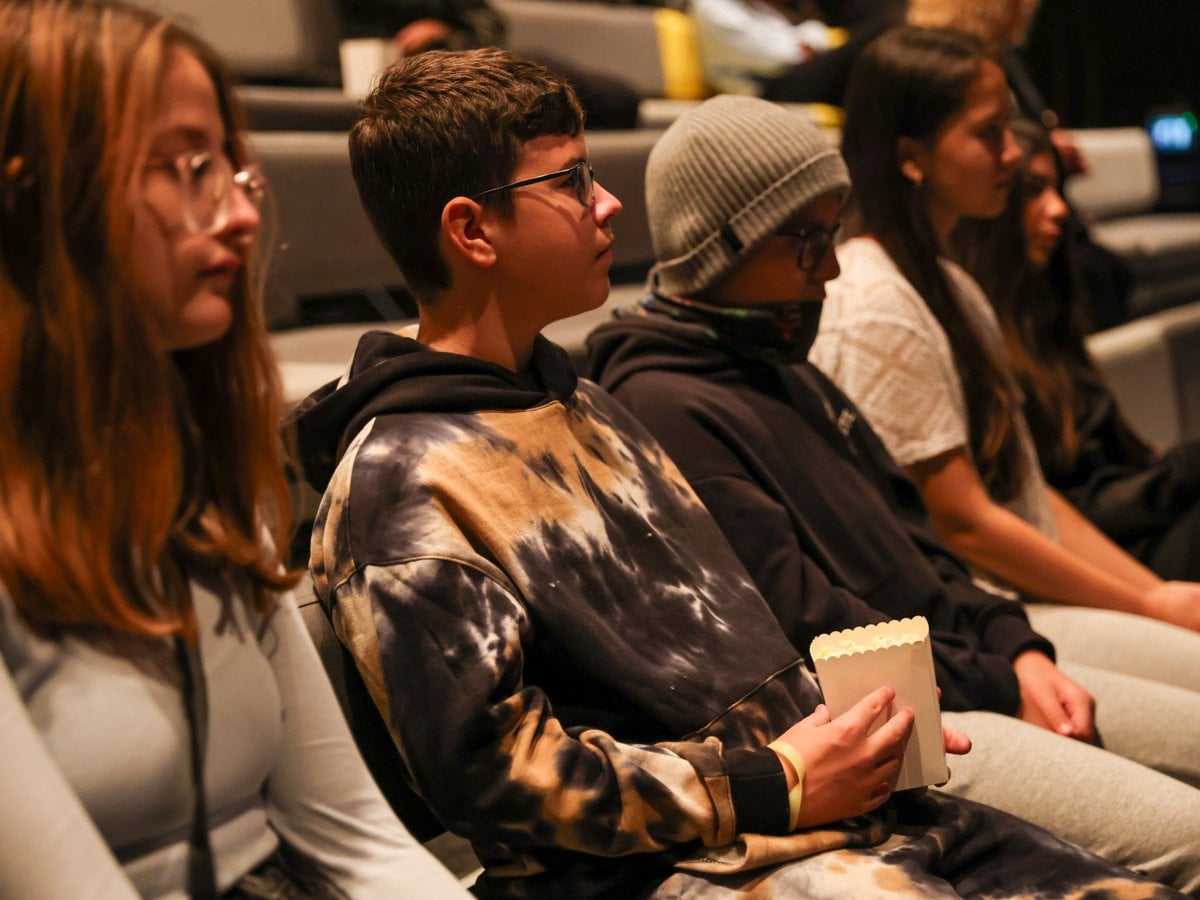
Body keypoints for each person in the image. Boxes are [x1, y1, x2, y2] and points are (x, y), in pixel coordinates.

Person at [294, 45, 1178, 899]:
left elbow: (735, 651)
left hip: (821, 813)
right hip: (668, 865)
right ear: (471, 229)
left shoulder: (582, 403)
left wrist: (859, 730)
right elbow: (494, 778)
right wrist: (776, 781)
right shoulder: (400, 487)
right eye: (568, 183)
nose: (606, 205)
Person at [585, 93, 1200, 893]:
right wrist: (1000, 677)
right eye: (805, 244)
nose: (831, 269)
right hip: (895, 722)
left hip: (965, 662)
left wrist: (1010, 641)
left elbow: (922, 542)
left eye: (830, 235)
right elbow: (812, 624)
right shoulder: (665, 404)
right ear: (716, 249)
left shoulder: (781, 362)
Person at [0, 2, 469, 896]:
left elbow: (351, 831)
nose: (238, 214)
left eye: (231, 168)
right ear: (32, 199)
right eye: (185, 168)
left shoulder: (193, 484)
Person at [809, 24, 1200, 757]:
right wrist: (1147, 602)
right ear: (910, 158)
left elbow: (1024, 491)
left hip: (1015, 607)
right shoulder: (873, 304)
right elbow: (965, 526)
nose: (1016, 153)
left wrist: (1159, 597)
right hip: (975, 627)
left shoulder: (951, 282)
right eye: (990, 134)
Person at [956, 119, 1200, 582]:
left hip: (1138, 528)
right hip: (1096, 556)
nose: (1059, 209)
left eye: (1059, 189)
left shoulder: (1046, 316)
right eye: (1033, 191)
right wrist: (1183, 472)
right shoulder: (975, 341)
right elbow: (1050, 509)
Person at [905, 0, 1137, 329]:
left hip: (1013, 221)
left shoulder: (1006, 60)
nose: (1011, 152)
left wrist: (1050, 150)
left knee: (1107, 273)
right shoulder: (933, 65)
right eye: (991, 131)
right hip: (995, 230)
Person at [339, 0, 641, 129]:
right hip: (404, 72)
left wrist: (443, 31)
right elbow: (353, 38)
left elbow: (491, 25)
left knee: (617, 97)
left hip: (472, 56)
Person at [691, 0, 904, 105]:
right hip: (766, 91)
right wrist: (807, 41)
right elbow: (782, 56)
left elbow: (810, 34)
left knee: (871, 59)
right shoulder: (711, 6)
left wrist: (808, 41)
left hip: (791, 76)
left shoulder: (752, 6)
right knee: (874, 39)